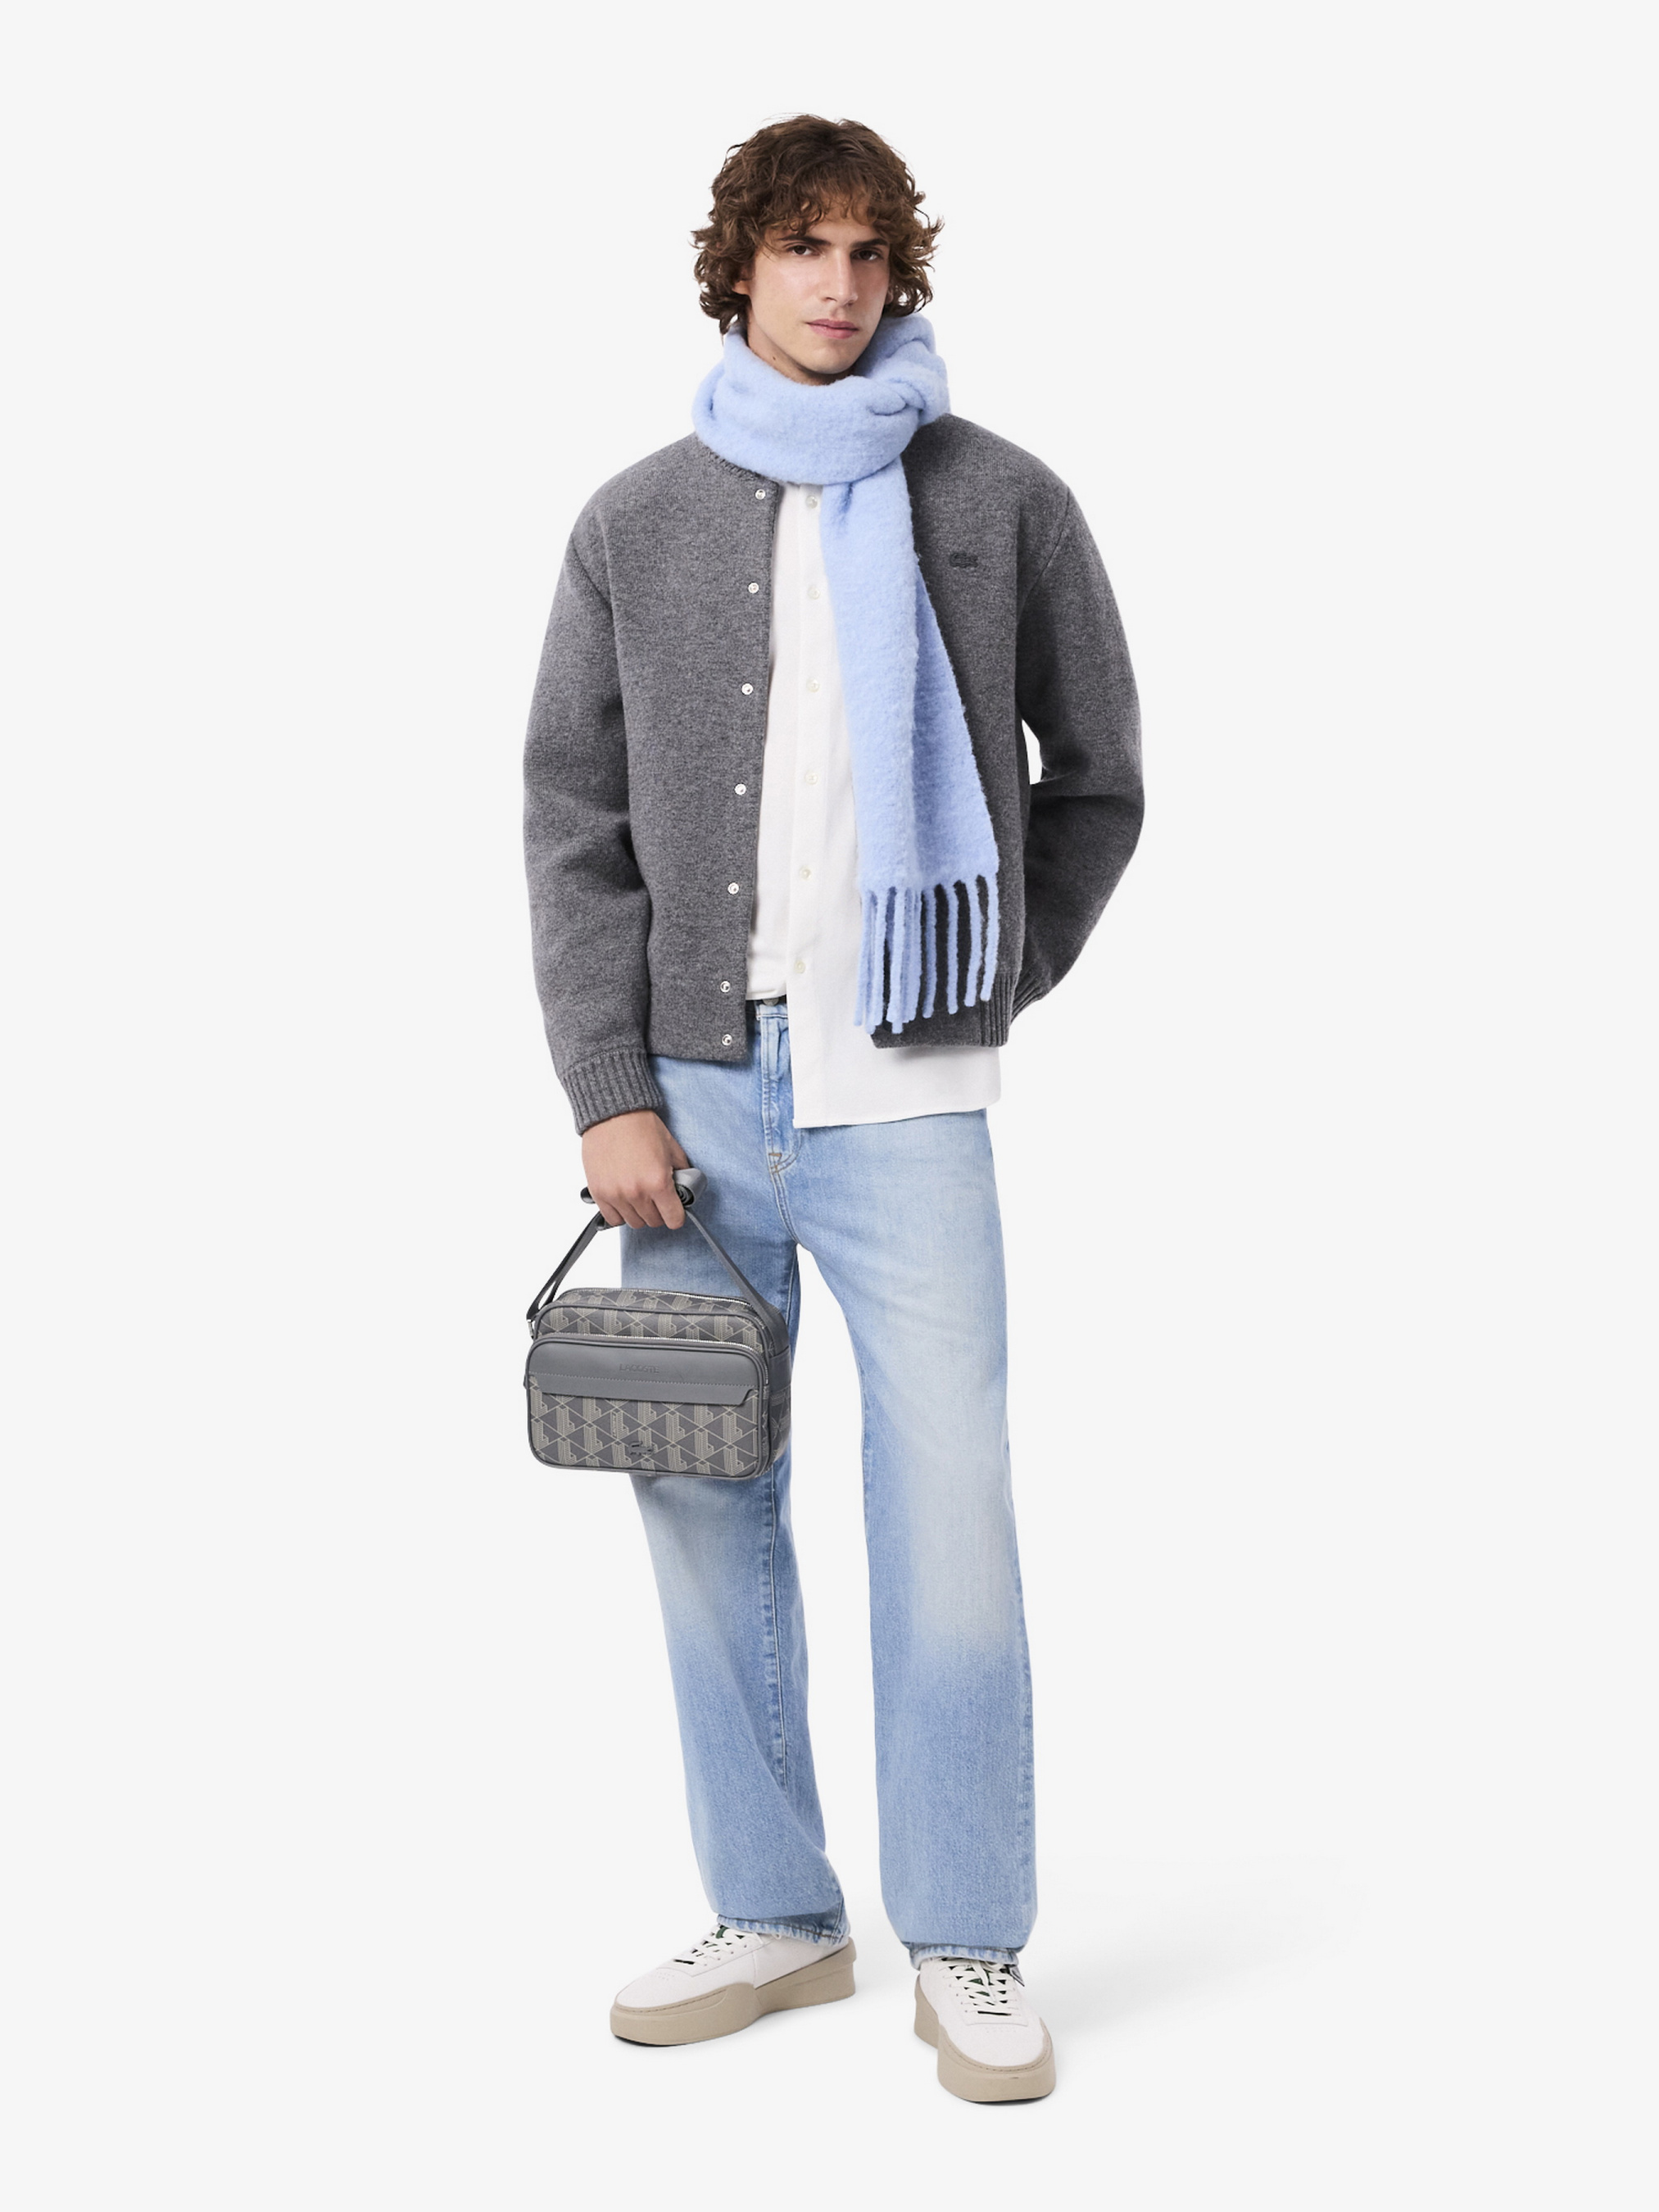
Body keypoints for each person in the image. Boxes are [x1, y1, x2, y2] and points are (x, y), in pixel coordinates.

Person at [523, 115, 1141, 2104]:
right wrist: (610, 1090)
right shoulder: (634, 521)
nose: (841, 285)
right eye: (804, 247)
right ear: (739, 268)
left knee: (947, 1506)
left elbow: (1095, 779)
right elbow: (573, 824)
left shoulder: (997, 500)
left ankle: (964, 1936)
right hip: (693, 1100)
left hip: (906, 1092)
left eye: (871, 252)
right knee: (700, 1492)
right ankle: (777, 1913)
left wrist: (985, 979)